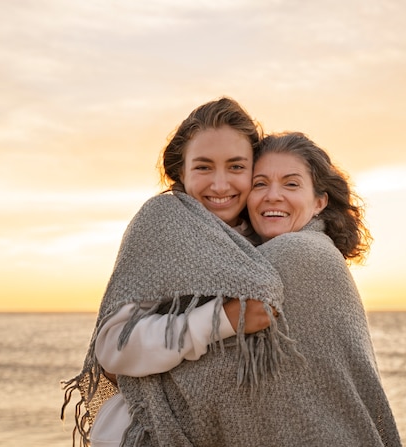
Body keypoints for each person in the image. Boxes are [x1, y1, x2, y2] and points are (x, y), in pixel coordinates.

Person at [61, 97, 298, 447]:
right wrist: (224, 318)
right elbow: (113, 347)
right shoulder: (162, 223)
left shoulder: (265, 238)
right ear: (181, 172)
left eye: (235, 167)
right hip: (140, 432)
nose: (220, 185)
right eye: (203, 168)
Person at [243, 131, 402, 446]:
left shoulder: (296, 254)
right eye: (260, 184)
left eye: (291, 184)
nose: (273, 195)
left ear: (319, 201)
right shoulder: (314, 250)